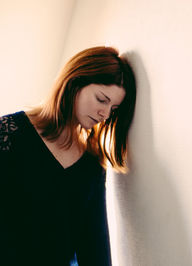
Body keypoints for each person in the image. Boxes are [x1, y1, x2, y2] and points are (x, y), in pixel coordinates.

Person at [0, 46, 136, 266]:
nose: (105, 113)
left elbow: (95, 245)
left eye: (114, 108)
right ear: (74, 82)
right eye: (102, 99)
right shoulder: (9, 131)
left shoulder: (91, 166)